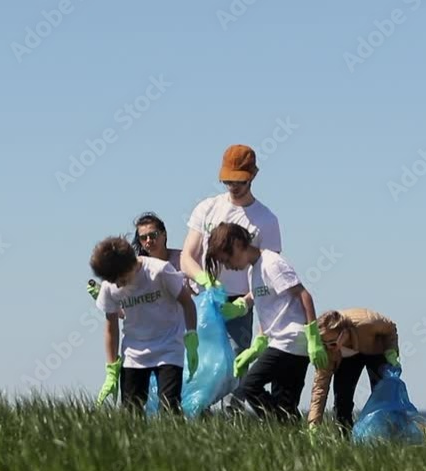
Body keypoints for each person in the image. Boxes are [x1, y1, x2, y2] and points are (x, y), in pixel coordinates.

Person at [179, 144, 283, 411]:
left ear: (253, 176)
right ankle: (194, 414)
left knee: (235, 363)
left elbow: (268, 272)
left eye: (239, 181)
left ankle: (231, 417)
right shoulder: (207, 208)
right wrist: (204, 279)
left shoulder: (266, 220)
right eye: (228, 181)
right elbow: (186, 257)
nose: (233, 186)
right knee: (200, 362)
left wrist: (245, 303)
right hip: (204, 298)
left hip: (239, 302)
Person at [203, 222, 328, 421]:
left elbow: (304, 295)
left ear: (237, 244)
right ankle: (289, 428)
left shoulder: (272, 263)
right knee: (286, 403)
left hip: (290, 339)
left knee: (249, 386)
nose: (228, 267)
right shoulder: (253, 271)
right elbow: (267, 306)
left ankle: (278, 423)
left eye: (227, 260)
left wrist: (314, 338)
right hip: (283, 342)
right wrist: (257, 343)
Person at [90, 236, 199, 415]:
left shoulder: (160, 271)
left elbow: (187, 302)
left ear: (131, 264)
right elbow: (111, 326)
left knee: (169, 408)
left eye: (121, 279)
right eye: (113, 281)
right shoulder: (110, 286)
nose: (118, 284)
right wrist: (111, 368)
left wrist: (192, 335)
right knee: (131, 412)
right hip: (133, 353)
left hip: (168, 348)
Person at [306, 308, 401, 435]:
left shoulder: (368, 322)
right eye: (324, 343)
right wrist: (313, 423)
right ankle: (344, 436)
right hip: (347, 357)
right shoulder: (328, 351)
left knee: (384, 395)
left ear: (344, 333)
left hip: (375, 348)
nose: (329, 347)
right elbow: (320, 388)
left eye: (333, 343)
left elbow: (390, 328)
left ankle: (389, 435)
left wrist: (391, 350)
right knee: (342, 399)